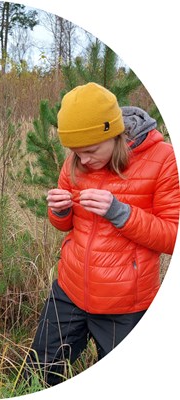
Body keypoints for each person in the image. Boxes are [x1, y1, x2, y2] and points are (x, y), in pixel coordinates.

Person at [26, 82, 179, 386]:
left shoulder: (162, 159)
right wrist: (58, 211)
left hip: (126, 303)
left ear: (114, 134)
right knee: (38, 375)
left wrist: (121, 213)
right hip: (69, 291)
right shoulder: (76, 159)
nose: (81, 161)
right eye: (74, 153)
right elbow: (65, 226)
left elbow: (171, 236)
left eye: (91, 151)